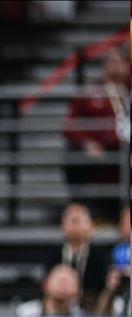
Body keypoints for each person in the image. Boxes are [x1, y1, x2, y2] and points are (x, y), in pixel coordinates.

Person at [62, 46, 130, 223]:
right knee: (71, 152)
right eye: (112, 61)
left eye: (121, 61)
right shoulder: (90, 93)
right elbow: (69, 125)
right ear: (104, 66)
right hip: (101, 151)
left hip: (126, 150)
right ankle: (80, 208)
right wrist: (86, 143)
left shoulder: (129, 91)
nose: (116, 65)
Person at [45, 202, 108, 314]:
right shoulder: (52, 256)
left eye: (80, 221)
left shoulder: (101, 258)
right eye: (73, 221)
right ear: (63, 225)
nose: (76, 226)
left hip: (92, 313)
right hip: (57, 312)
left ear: (90, 225)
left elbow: (103, 290)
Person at [16, 264, 81, 317]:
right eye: (60, 281)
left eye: (68, 282)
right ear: (45, 284)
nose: (63, 286)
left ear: (77, 290)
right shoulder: (24, 314)